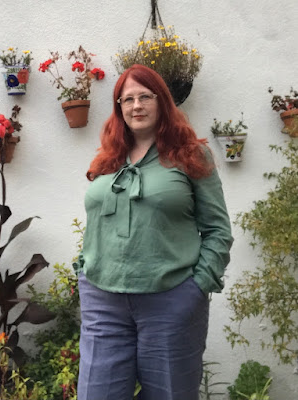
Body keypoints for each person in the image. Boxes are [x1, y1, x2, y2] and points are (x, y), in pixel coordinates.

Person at [73, 64, 233, 400]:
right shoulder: (108, 159)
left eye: (145, 96)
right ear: (119, 107)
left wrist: (197, 287)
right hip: (103, 301)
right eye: (127, 99)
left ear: (162, 101)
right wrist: (83, 272)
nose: (136, 105)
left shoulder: (192, 155)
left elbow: (217, 230)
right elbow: (97, 222)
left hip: (171, 300)